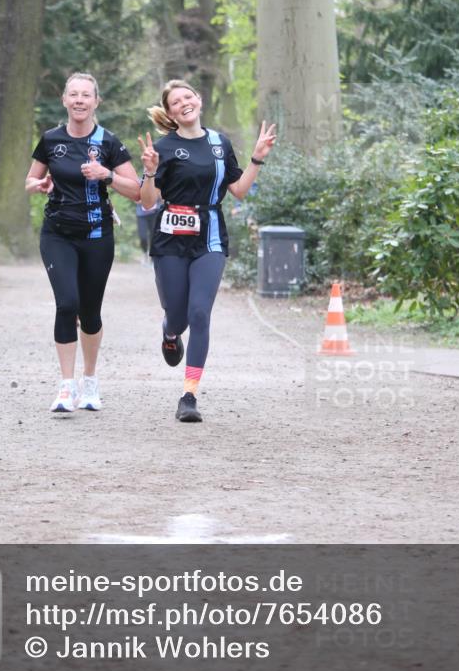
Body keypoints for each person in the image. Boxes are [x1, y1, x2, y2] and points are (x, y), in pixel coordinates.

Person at [138, 79, 276, 423]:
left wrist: (257, 158)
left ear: (198, 100)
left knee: (199, 314)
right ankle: (170, 333)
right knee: (180, 316)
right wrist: (150, 171)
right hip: (170, 238)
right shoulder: (164, 147)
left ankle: (189, 396)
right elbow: (148, 201)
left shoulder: (219, 143)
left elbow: (240, 191)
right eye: (176, 102)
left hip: (210, 236)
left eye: (188, 96)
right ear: (170, 113)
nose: (184, 103)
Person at [26, 73, 140, 414]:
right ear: (64, 100)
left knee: (90, 312)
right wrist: (38, 184)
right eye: (73, 95)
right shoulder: (50, 139)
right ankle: (66, 386)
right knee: (66, 304)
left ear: (95, 102)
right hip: (57, 233)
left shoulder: (109, 142)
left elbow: (136, 190)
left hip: (96, 235)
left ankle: (90, 381)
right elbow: (31, 178)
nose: (79, 100)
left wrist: (107, 175)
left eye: (85, 95)